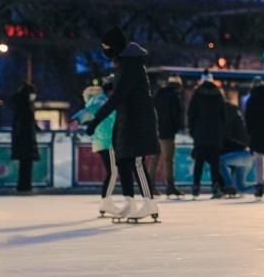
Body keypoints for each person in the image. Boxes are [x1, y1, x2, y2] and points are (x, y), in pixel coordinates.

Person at [86, 26, 161, 222]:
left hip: (138, 119)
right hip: (127, 117)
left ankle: (149, 202)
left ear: (115, 46)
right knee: (123, 160)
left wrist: (96, 119)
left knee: (136, 161)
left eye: (106, 47)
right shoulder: (122, 65)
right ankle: (130, 201)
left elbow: (117, 96)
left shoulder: (131, 65)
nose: (105, 51)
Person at [71, 77, 120, 216]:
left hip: (103, 139)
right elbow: (91, 110)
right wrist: (77, 119)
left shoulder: (100, 99)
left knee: (113, 171)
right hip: (107, 139)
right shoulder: (102, 100)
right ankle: (106, 202)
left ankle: (106, 203)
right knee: (113, 171)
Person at [187, 76, 226, 198]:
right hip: (215, 134)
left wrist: (193, 132)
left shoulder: (197, 94)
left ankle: (196, 186)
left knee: (199, 162)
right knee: (215, 163)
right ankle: (215, 186)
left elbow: (191, 114)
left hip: (200, 134)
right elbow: (223, 115)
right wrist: (221, 132)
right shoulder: (218, 95)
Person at [149, 74, 184, 197]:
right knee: (168, 160)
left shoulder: (158, 94)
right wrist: (178, 127)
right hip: (167, 133)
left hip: (155, 131)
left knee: (154, 160)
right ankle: (170, 186)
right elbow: (176, 114)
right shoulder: (174, 96)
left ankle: (150, 187)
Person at [10, 82, 39, 194]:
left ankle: (24, 185)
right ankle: (25, 186)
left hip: (22, 140)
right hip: (25, 140)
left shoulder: (20, 105)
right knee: (26, 164)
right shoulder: (25, 106)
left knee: (24, 164)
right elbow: (26, 122)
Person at [219, 101, 252, 197]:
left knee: (220, 161)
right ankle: (261, 186)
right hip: (247, 155)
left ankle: (229, 185)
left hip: (241, 155)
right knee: (241, 188)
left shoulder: (227, 123)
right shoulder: (238, 118)